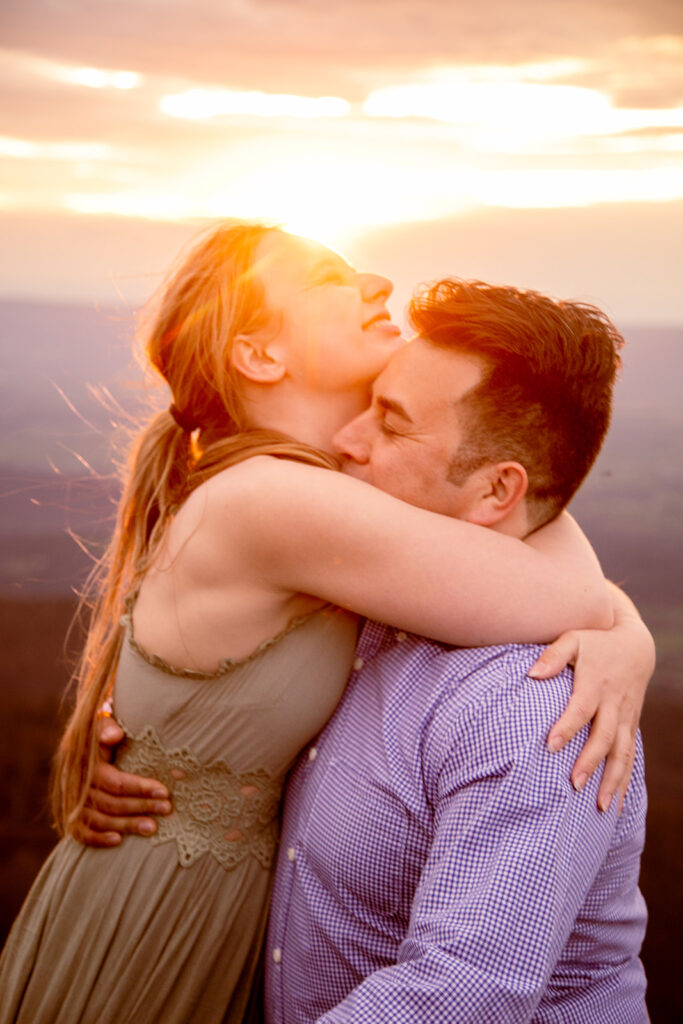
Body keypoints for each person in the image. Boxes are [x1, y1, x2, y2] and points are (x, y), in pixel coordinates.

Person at [0, 224, 651, 1024]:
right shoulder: (275, 502)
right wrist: (627, 638)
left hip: (209, 918)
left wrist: (617, 630)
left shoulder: (298, 495)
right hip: (159, 917)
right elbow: (557, 577)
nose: (375, 283)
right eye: (327, 278)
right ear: (262, 356)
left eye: (390, 417)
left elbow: (522, 509)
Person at [264, 280, 650, 1023]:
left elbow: (463, 993)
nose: (346, 438)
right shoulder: (360, 603)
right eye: (366, 402)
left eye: (391, 423)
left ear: (494, 492)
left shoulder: (539, 707)